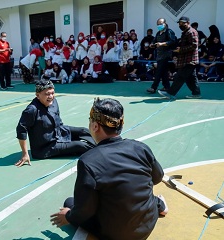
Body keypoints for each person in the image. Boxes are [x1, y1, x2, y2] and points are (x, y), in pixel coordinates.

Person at [50, 97, 168, 240]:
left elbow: (85, 210)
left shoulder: (88, 161)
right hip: (148, 223)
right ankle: (159, 204)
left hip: (117, 234)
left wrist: (68, 216)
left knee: (70, 203)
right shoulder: (140, 148)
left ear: (95, 126)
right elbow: (157, 177)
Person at [15, 80, 96, 167]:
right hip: (47, 147)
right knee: (81, 145)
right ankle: (103, 149)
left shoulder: (53, 102)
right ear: (38, 95)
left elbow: (58, 122)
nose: (51, 96)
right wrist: (25, 153)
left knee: (85, 131)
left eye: (52, 93)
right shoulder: (32, 110)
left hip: (59, 132)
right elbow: (21, 130)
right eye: (47, 94)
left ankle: (104, 142)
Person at [158, 16, 201, 99]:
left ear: (188, 23)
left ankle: (171, 93)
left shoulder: (191, 32)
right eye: (180, 23)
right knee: (190, 77)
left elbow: (194, 45)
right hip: (187, 59)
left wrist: (181, 49)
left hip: (189, 60)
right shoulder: (186, 32)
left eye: (182, 23)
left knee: (180, 76)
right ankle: (196, 93)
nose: (180, 25)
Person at [147, 18, 177, 94]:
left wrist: (162, 44)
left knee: (158, 71)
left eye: (160, 24)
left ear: (165, 23)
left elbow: (172, 41)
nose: (159, 25)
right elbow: (154, 41)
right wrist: (152, 44)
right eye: (158, 24)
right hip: (159, 54)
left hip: (166, 54)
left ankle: (154, 87)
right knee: (164, 72)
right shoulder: (158, 33)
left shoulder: (169, 32)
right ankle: (167, 86)